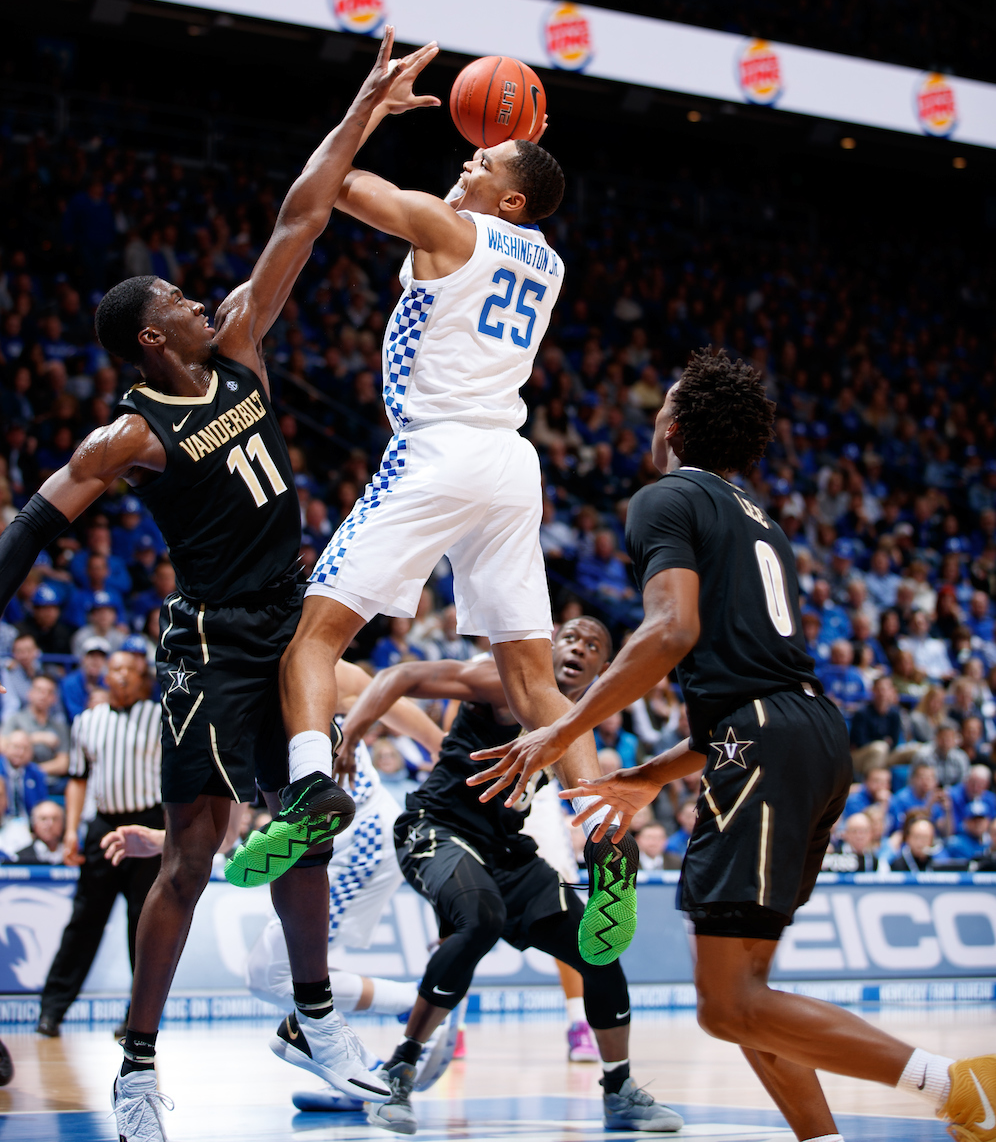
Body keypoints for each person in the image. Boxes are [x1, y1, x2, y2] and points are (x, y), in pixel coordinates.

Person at [0, 34, 436, 1137]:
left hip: (289, 618)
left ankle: (317, 1015)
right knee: (190, 853)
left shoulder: (240, 346)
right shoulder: (130, 434)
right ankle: (140, 1065)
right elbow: (43, 517)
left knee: (316, 816)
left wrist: (362, 110)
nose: (209, 300)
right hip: (206, 643)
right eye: (187, 301)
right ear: (154, 337)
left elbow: (304, 213)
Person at [469, 350, 995, 1142]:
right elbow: (751, 674)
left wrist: (562, 728)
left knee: (727, 1006)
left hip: (761, 739)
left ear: (674, 425)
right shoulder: (757, 518)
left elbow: (670, 631)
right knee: (749, 995)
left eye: (659, 410)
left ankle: (959, 1087)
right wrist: (650, 773)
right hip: (807, 734)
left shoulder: (664, 497)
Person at [234, 54, 637, 974]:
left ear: (509, 202)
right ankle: (607, 835)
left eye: (484, 165)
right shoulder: (549, 258)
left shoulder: (449, 229)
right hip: (508, 462)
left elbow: (326, 188)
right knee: (536, 688)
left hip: (438, 449)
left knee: (311, 640)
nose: (466, 167)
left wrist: (367, 110)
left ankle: (307, 793)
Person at [338, 617, 682, 1134]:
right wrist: (352, 735)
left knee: (599, 950)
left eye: (591, 645)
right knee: (479, 918)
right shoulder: (502, 682)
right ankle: (400, 1070)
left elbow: (590, 803)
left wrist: (612, 844)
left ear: (603, 669)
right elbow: (401, 677)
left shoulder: (573, 725)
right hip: (438, 826)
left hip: (508, 850)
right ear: (549, 648)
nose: (578, 648)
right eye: (570, 638)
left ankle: (620, 1089)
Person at [100, 656, 460, 1114]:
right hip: (334, 841)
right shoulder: (220, 707)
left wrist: (441, 746)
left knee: (272, 971)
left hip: (360, 832)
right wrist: (163, 840)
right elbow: (226, 835)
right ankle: (357, 1067)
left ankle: (420, 1007)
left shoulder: (301, 658)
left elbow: (380, 691)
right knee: (271, 973)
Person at [35, 650, 161, 1038]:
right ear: (105, 676)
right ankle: (51, 1011)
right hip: (103, 826)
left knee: (143, 926)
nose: (120, 675)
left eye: (129, 670)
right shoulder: (87, 721)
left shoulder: (159, 717)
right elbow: (77, 778)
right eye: (114, 669)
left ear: (143, 680)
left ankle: (136, 1019)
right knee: (84, 921)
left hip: (149, 825)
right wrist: (72, 830)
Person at [8, 798, 65, 864]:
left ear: (63, 823)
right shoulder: (20, 857)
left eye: (55, 819)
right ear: (33, 824)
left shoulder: (75, 855)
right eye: (43, 819)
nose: (50, 824)